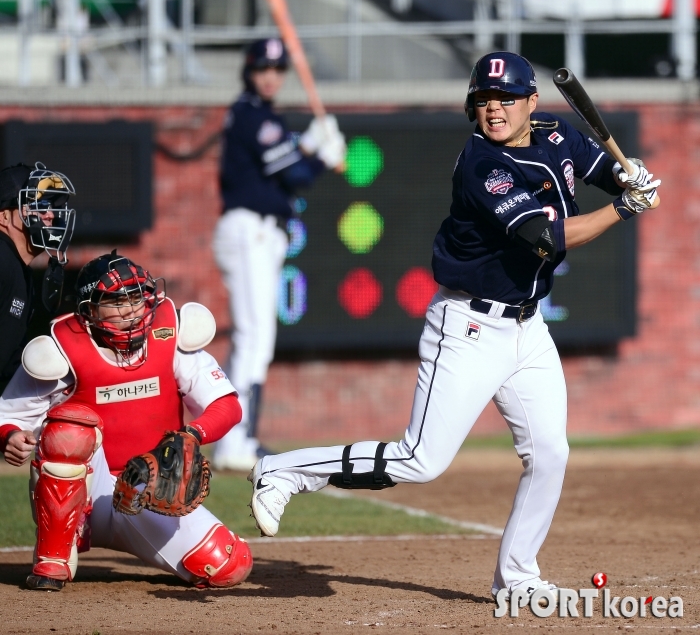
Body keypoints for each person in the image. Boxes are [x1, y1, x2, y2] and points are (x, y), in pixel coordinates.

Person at [247, 52, 660, 602]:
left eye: (506, 99)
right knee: (421, 460)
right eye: (485, 101)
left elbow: (602, 170)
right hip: (468, 325)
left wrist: (629, 174)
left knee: (551, 454)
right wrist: (625, 210)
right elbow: (547, 237)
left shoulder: (556, 134)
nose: (495, 110)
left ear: (531, 103)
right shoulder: (483, 166)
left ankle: (518, 580)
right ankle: (283, 470)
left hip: (528, 328)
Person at [0, 251, 253, 591]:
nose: (132, 310)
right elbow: (8, 414)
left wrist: (191, 434)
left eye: (136, 296)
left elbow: (226, 405)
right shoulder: (63, 346)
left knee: (228, 564)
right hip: (87, 489)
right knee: (69, 431)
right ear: (89, 310)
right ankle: (53, 558)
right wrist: (9, 436)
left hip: (148, 489)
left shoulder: (169, 335)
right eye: (116, 301)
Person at [212, 37, 346, 471]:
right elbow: (297, 177)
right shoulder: (254, 117)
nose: (270, 76)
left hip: (258, 231)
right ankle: (239, 442)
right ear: (249, 71)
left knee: (251, 341)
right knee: (255, 339)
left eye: (277, 69)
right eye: (262, 68)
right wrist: (324, 156)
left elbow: (283, 166)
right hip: (250, 228)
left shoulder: (259, 117)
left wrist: (308, 146)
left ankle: (235, 438)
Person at [0, 163, 75, 394]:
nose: (50, 215)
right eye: (39, 207)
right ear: (4, 216)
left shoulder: (20, 269)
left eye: (51, 206)